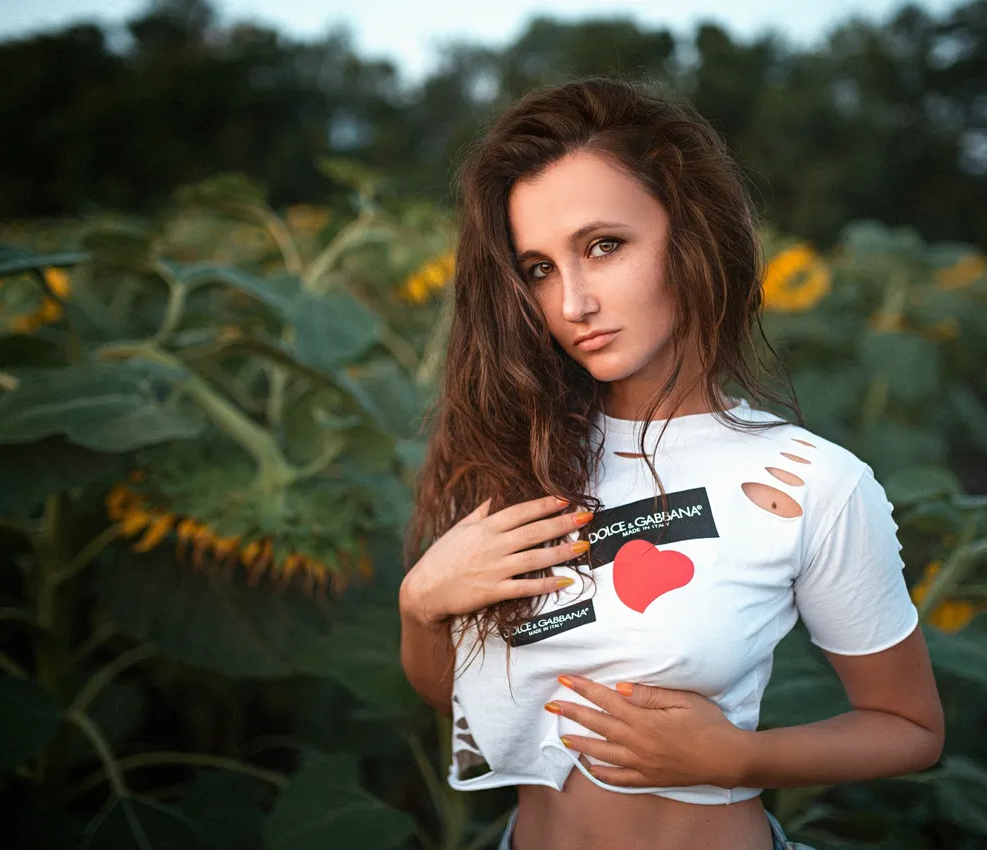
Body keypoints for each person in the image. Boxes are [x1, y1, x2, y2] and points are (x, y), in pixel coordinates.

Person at [399, 77, 944, 850]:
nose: (573, 303)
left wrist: (739, 757)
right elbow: (463, 697)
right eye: (539, 269)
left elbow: (910, 728)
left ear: (691, 235)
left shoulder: (812, 481)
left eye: (604, 246)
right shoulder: (514, 454)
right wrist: (420, 605)